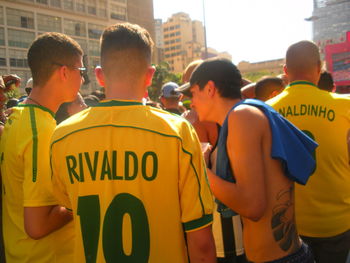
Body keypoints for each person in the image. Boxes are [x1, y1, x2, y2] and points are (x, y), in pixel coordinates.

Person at [50, 23, 216, 263]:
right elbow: (200, 242)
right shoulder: (177, 132)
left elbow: (71, 205)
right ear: (150, 75)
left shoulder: (62, 136)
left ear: (99, 74)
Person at [187, 57, 318, 262]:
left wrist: (201, 168)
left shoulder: (242, 117)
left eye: (193, 93)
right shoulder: (246, 113)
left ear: (210, 89)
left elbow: (252, 206)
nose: (191, 102)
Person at [0, 32, 84, 262]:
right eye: (82, 71)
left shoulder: (19, 116)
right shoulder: (41, 131)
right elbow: (37, 226)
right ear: (64, 72)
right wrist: (80, 198)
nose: (83, 80)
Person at [267, 40, 350, 263]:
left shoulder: (267, 110)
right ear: (319, 67)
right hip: (336, 222)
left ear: (285, 71)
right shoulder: (345, 106)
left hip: (288, 225)